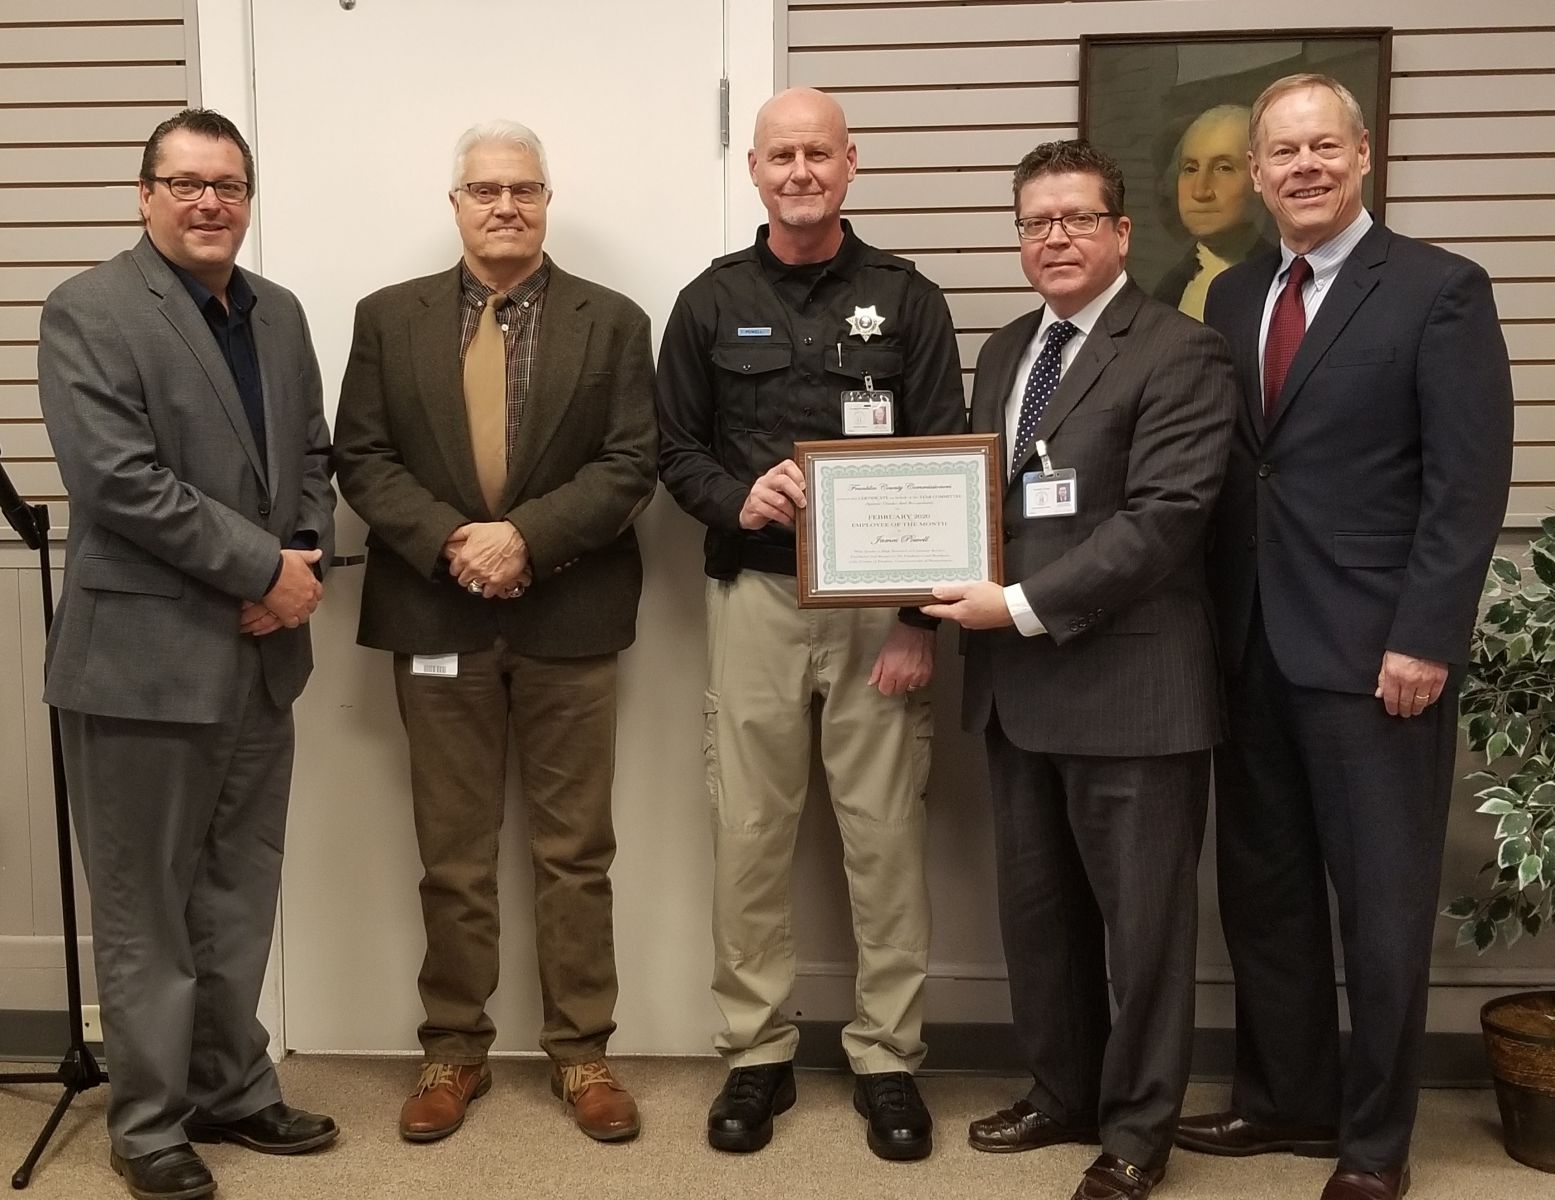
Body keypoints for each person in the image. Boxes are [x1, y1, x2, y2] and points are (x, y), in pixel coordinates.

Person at [1176, 75, 1515, 1200]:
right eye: (1283, 152)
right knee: (1263, 896)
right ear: (1263, 174)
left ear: (1362, 156)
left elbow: (1465, 488)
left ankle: (1374, 1145)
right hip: (1250, 647)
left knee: (1378, 911)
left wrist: (1424, 636)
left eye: (1323, 146)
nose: (1302, 167)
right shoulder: (1230, 302)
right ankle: (1285, 1104)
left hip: (1379, 660)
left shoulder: (1437, 291)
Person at [655, 87, 966, 1160]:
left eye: (817, 154)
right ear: (754, 168)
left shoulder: (906, 300)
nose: (799, 171)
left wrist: (922, 620)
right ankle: (755, 1053)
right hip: (753, 597)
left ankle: (887, 1057)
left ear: (848, 165)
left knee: (883, 840)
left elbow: (943, 459)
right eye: (780, 154)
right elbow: (674, 450)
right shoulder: (707, 301)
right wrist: (735, 498)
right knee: (748, 836)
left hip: (879, 610)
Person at [922, 140, 1237, 1200]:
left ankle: (1138, 1131)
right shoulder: (1007, 350)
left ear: (1118, 232)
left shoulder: (1179, 351)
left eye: (1072, 218)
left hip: (1132, 688)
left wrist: (1012, 606)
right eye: (1032, 222)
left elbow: (1165, 521)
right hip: (1020, 691)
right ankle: (1059, 1092)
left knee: (1143, 933)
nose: (1051, 237)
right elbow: (990, 506)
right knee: (1039, 916)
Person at [333, 120, 656, 1146]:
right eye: (485, 189)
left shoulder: (613, 321)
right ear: (456, 203)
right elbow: (363, 457)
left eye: (522, 188)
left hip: (572, 615)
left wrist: (523, 539)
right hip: (436, 612)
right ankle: (452, 1050)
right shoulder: (388, 319)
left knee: (575, 852)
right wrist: (454, 544)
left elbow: (628, 462)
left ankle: (583, 1053)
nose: (504, 204)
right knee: (453, 853)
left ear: (546, 199)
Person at [36, 108, 338, 1200]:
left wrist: (300, 576)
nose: (210, 202)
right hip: (141, 661)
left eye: (229, 184)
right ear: (145, 194)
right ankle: (151, 1122)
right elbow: (117, 481)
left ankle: (233, 1086)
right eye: (187, 182)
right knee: (146, 905)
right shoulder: (90, 310)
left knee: (237, 894)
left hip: (262, 656)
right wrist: (265, 570)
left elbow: (311, 455)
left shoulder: (280, 314)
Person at [1153, 104, 1266, 321]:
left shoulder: (1284, 283)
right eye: (1190, 169)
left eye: (1224, 168)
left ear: (1259, 175)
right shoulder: (1169, 289)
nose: (1200, 191)